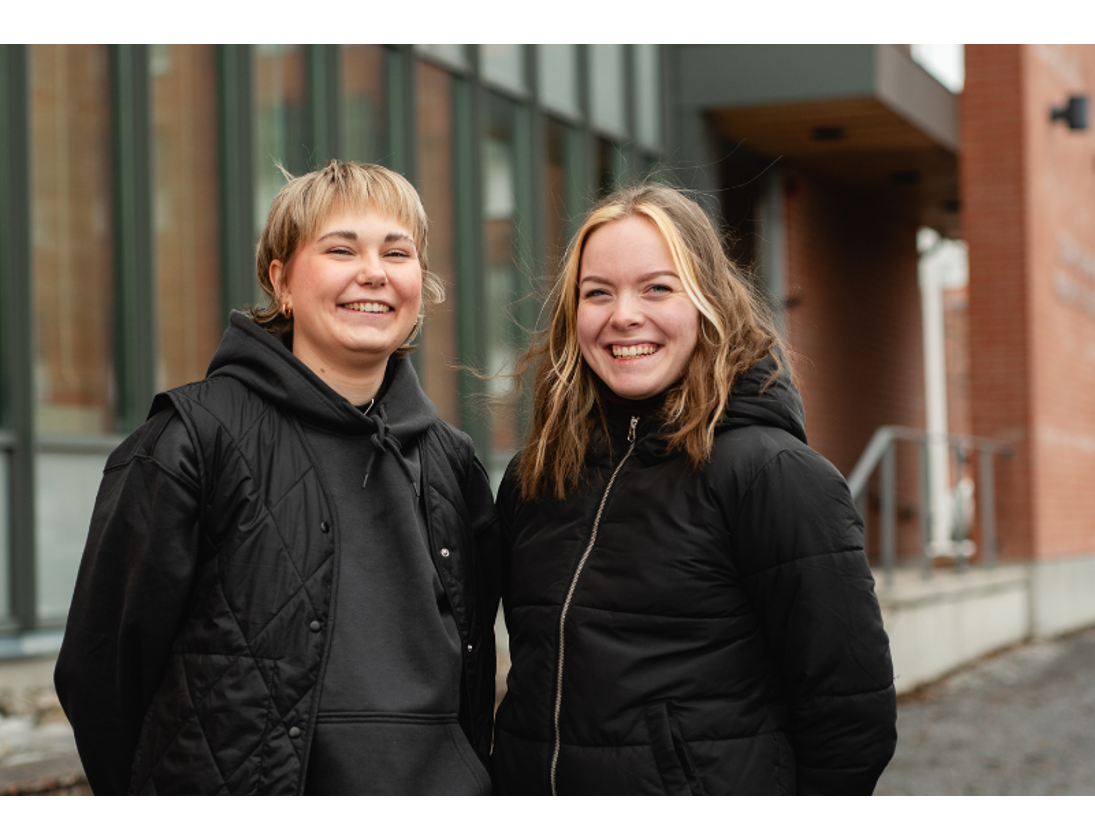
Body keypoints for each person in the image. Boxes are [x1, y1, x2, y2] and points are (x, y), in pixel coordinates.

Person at [55, 161, 500, 795]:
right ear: (281, 280)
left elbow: (475, 670)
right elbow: (102, 675)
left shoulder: (452, 462)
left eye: (396, 252)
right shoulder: (191, 440)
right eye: (341, 249)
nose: (373, 271)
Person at [490, 184, 897, 795]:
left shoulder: (773, 475)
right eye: (597, 292)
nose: (624, 315)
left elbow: (850, 715)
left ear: (709, 301)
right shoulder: (538, 475)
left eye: (657, 287)